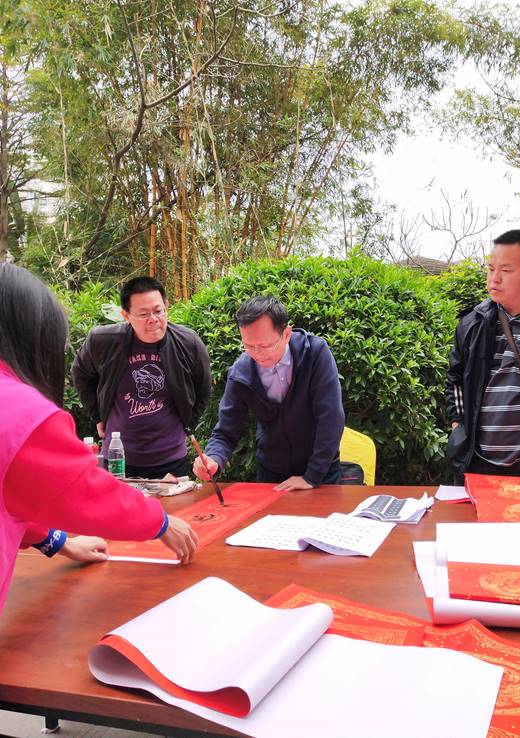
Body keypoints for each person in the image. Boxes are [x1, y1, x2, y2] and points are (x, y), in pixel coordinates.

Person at [0, 264, 198, 615]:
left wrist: (58, 542)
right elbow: (82, 487)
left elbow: (11, 495)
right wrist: (160, 522)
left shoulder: (185, 342)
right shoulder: (20, 409)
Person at [192, 296, 345, 491]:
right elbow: (226, 430)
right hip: (272, 475)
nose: (257, 354)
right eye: (248, 346)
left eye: (265, 346)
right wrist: (213, 458)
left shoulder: (314, 353)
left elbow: (331, 416)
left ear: (286, 334)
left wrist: (312, 476)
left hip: (321, 475)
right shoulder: (241, 373)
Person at [72, 276, 211, 479]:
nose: (153, 319)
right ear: (126, 315)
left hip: (172, 459)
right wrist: (97, 415)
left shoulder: (188, 343)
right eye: (143, 314)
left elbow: (203, 388)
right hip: (119, 459)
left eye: (158, 311)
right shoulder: (103, 341)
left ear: (166, 307)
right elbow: (81, 374)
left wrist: (186, 423)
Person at [446, 229, 520, 484]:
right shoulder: (472, 323)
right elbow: (456, 379)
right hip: (481, 464)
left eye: (506, 270)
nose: (494, 278)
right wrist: (459, 426)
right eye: (491, 268)